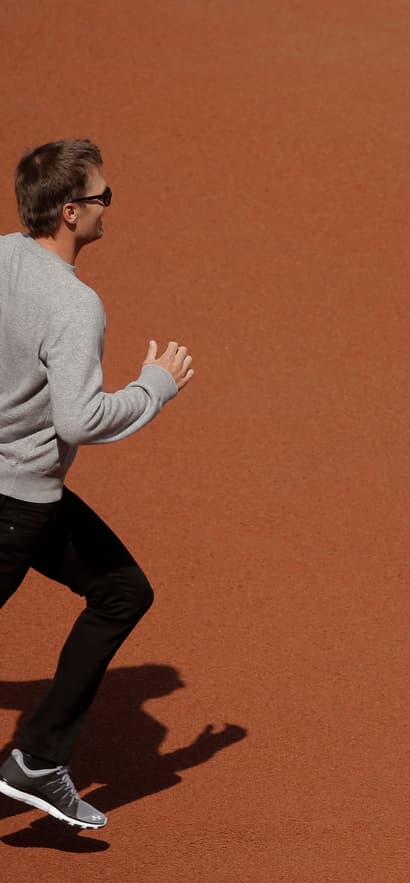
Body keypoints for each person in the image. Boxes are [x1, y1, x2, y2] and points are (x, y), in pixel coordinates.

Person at [0, 140, 194, 828]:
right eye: (103, 197)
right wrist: (154, 387)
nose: (110, 205)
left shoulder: (0, 255)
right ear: (71, 211)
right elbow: (81, 419)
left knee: (122, 589)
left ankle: (39, 758)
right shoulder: (75, 305)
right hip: (16, 506)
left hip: (28, 498)